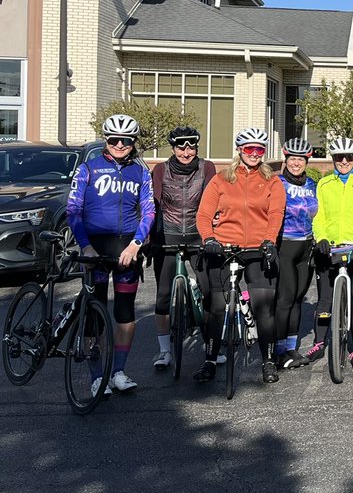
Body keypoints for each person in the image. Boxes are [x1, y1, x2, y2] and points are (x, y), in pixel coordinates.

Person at [65, 113, 155, 396]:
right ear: (106, 140)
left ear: (133, 142)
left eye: (125, 140)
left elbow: (149, 210)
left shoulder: (140, 172)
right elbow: (73, 210)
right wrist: (85, 245)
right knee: (94, 315)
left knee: (125, 312)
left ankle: (118, 371)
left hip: (126, 248)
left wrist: (136, 244)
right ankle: (96, 376)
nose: (119, 144)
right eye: (114, 139)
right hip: (96, 248)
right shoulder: (88, 169)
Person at [196, 127, 285, 384]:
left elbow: (275, 214)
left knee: (264, 306)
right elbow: (203, 215)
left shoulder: (272, 181)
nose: (255, 154)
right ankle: (210, 359)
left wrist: (269, 241)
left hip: (258, 249)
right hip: (224, 247)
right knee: (216, 306)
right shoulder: (222, 179)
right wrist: (209, 239)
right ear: (239, 150)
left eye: (259, 149)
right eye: (249, 149)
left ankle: (268, 361)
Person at [148, 125, 216, 372]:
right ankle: (165, 350)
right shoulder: (161, 170)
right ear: (173, 148)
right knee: (163, 296)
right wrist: (150, 238)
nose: (186, 152)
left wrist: (212, 234)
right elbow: (153, 204)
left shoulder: (207, 168)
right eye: (180, 146)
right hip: (168, 236)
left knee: (210, 292)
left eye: (191, 146)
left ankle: (211, 345)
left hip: (199, 237)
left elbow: (211, 201)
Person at [308, 136, 353, 369]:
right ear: (334, 159)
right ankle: (319, 342)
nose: (344, 161)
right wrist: (322, 238)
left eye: (348, 157)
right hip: (330, 247)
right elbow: (319, 216)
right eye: (339, 157)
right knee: (325, 299)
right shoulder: (324, 184)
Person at [274, 138, 318, 370]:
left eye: (300, 159)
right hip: (285, 245)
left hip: (306, 246)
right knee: (285, 299)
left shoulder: (312, 184)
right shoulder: (276, 182)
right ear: (285, 159)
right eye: (292, 158)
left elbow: (318, 215)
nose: (296, 163)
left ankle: (291, 348)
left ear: (306, 161)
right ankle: (279, 351)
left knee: (299, 298)